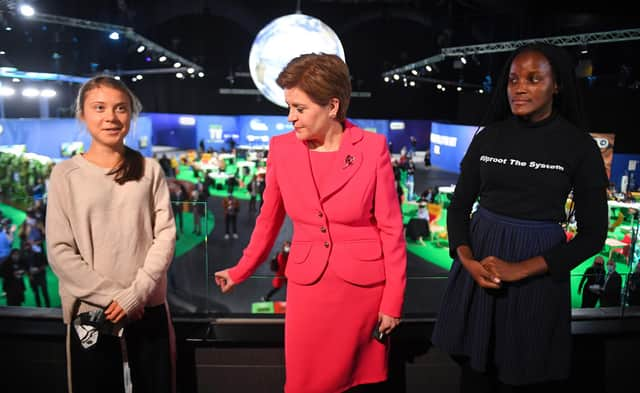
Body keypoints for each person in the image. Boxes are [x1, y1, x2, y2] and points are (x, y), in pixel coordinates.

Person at [214, 53, 406, 393]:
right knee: (305, 382)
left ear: (332, 106)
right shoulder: (281, 149)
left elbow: (391, 230)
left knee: (359, 383)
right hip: (309, 287)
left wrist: (392, 301)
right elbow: (268, 221)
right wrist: (240, 270)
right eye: (289, 107)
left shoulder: (373, 148)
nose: (291, 118)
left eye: (299, 109)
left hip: (362, 292)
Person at [431, 43, 609, 391]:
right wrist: (465, 259)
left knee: (525, 375)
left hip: (537, 275)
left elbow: (593, 235)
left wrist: (521, 269)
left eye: (533, 79)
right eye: (513, 79)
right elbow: (459, 205)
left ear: (556, 85)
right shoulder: (489, 137)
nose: (520, 87)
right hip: (479, 265)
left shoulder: (579, 146)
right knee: (474, 375)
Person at [45, 75, 177, 393]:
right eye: (99, 107)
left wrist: (135, 295)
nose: (111, 117)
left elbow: (165, 235)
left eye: (120, 108)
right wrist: (111, 297)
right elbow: (60, 250)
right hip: (91, 309)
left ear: (131, 115)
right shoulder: (65, 175)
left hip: (147, 305)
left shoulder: (150, 169)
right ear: (82, 115)